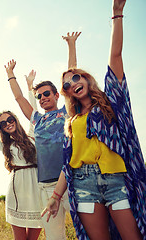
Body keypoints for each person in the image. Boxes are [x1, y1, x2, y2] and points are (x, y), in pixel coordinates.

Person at [41, 0, 146, 239]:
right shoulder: (72, 120)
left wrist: (116, 15)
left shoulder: (112, 104)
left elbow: (116, 57)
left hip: (117, 180)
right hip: (83, 183)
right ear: (67, 93)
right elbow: (68, 163)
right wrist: (56, 197)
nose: (73, 83)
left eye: (77, 77)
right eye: (67, 84)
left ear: (87, 79)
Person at [3, 31, 81, 240]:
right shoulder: (37, 119)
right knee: (55, 237)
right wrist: (11, 74)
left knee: (86, 232)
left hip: (73, 181)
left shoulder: (67, 112)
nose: (43, 97)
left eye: (47, 94)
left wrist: (71, 45)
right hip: (46, 187)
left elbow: (71, 78)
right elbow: (19, 97)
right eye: (39, 96)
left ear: (57, 95)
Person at [0, 109, 42, 240]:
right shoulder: (4, 145)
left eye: (10, 120)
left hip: (36, 188)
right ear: (2, 128)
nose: (8, 123)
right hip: (17, 190)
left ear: (15, 120)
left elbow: (33, 113)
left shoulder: (32, 136)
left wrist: (31, 89)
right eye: (3, 123)